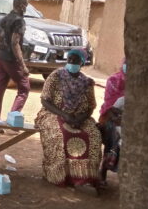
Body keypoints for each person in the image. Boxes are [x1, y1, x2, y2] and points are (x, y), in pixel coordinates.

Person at [34, 49, 102, 189]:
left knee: (93, 135)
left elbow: (90, 106)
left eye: (75, 60)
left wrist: (80, 119)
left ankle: (86, 177)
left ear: (81, 63)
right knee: (62, 134)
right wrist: (64, 115)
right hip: (52, 113)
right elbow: (45, 101)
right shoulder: (56, 76)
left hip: (79, 117)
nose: (71, 62)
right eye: (69, 59)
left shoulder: (87, 83)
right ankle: (60, 175)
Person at [0, 0, 30, 121]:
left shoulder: (4, 19)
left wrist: (0, 55)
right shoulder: (19, 21)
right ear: (21, 5)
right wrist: (23, 65)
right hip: (12, 60)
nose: (26, 7)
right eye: (26, 5)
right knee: (24, 88)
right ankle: (13, 118)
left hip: (0, 57)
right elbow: (15, 42)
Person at [99, 96, 124, 184]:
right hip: (116, 131)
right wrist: (116, 119)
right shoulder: (122, 100)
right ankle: (102, 176)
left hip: (128, 132)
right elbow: (111, 111)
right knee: (111, 148)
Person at [98, 58, 126, 124]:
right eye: (126, 63)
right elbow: (109, 105)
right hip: (111, 115)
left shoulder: (139, 84)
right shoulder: (113, 80)